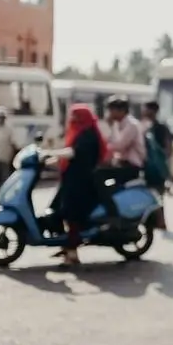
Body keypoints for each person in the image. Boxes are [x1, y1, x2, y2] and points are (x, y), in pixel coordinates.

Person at [53, 104, 107, 266]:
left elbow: (73, 152)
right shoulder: (78, 132)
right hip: (71, 179)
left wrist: (51, 153)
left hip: (81, 182)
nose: (72, 119)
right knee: (56, 211)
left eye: (76, 116)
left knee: (73, 217)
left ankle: (72, 254)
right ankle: (65, 245)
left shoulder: (88, 135)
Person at [96, 96, 146, 216]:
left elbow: (118, 145)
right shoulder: (121, 124)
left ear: (121, 111)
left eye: (112, 111)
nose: (110, 114)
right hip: (122, 163)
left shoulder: (131, 125)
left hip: (131, 166)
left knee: (98, 175)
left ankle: (111, 210)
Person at [141, 100, 171, 229]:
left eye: (147, 109)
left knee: (158, 194)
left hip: (156, 167)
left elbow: (168, 148)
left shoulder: (160, 128)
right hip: (147, 166)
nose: (145, 112)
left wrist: (164, 164)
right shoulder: (144, 126)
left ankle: (160, 221)